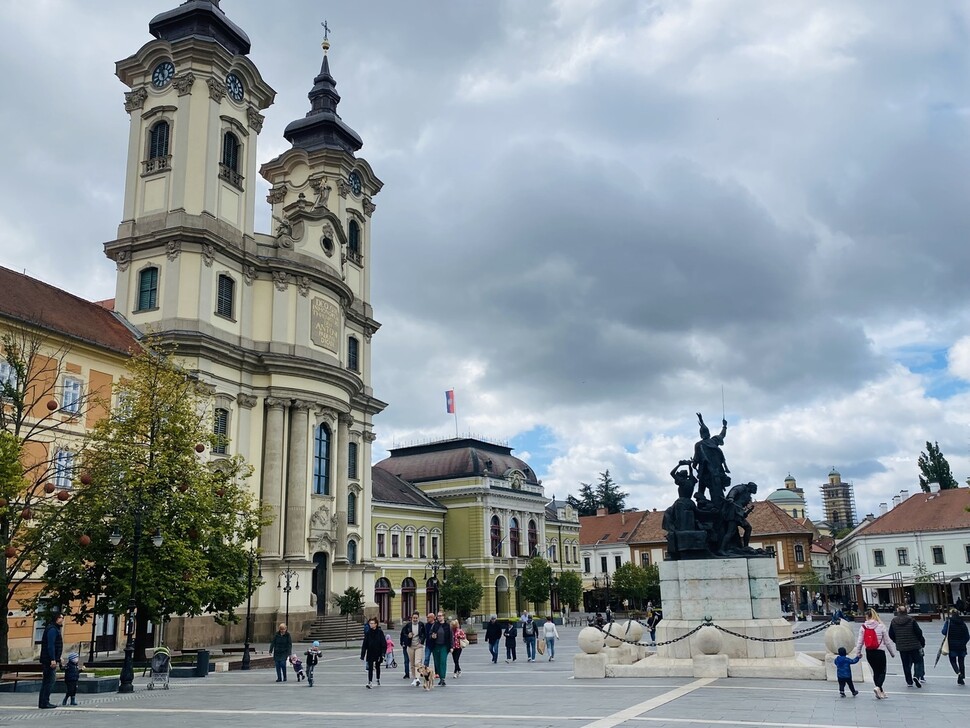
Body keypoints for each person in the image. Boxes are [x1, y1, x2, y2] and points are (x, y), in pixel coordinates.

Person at [855, 608, 895, 698]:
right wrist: (892, 653)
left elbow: (860, 641)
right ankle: (878, 687)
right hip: (879, 652)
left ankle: (880, 691)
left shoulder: (863, 627)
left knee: (875, 671)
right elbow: (887, 641)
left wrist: (858, 652)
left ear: (867, 616)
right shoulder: (881, 626)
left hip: (869, 651)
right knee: (882, 671)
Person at [888, 605, 925, 688]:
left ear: (898, 612)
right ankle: (916, 676)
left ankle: (909, 681)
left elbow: (891, 634)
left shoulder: (894, 621)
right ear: (906, 611)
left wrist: (897, 641)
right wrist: (921, 642)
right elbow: (918, 632)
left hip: (902, 646)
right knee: (918, 661)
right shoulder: (911, 620)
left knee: (905, 664)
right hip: (914, 645)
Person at [38, 612, 64, 710]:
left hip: (49, 659)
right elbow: (51, 645)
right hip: (48, 660)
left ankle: (43, 702)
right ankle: (45, 702)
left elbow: (55, 646)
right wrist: (53, 659)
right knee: (49, 681)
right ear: (56, 618)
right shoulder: (52, 629)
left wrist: (58, 657)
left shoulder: (53, 628)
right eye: (61, 618)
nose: (62, 620)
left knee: (47, 681)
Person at [942, 607, 968, 685]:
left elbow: (944, 632)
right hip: (962, 646)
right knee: (961, 662)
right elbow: (967, 636)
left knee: (953, 661)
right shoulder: (962, 623)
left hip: (952, 645)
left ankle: (958, 673)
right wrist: (963, 642)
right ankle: (961, 678)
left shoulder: (949, 622)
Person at [428, 611, 452, 686]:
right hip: (435, 646)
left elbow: (451, 637)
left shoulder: (447, 626)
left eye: (440, 616)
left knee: (443, 661)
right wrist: (432, 636)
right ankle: (440, 675)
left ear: (443, 617)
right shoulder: (435, 625)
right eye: (438, 616)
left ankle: (443, 678)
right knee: (437, 662)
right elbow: (430, 634)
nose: (439, 617)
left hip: (444, 646)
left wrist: (451, 646)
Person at [360, 617, 386, 688]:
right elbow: (364, 644)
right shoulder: (368, 633)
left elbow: (383, 643)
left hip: (378, 652)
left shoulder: (380, 632)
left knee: (377, 666)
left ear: (376, 624)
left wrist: (383, 653)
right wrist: (362, 654)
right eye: (370, 623)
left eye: (372, 623)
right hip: (370, 652)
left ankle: (378, 678)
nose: (371, 625)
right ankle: (370, 681)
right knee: (370, 667)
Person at [401, 611, 425, 683]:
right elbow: (403, 634)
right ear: (411, 618)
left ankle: (417, 678)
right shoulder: (408, 625)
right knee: (412, 663)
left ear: (418, 618)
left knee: (417, 662)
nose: (415, 619)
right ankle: (414, 677)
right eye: (414, 618)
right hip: (410, 646)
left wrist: (422, 640)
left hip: (418, 646)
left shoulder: (421, 625)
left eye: (416, 618)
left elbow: (424, 634)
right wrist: (408, 636)